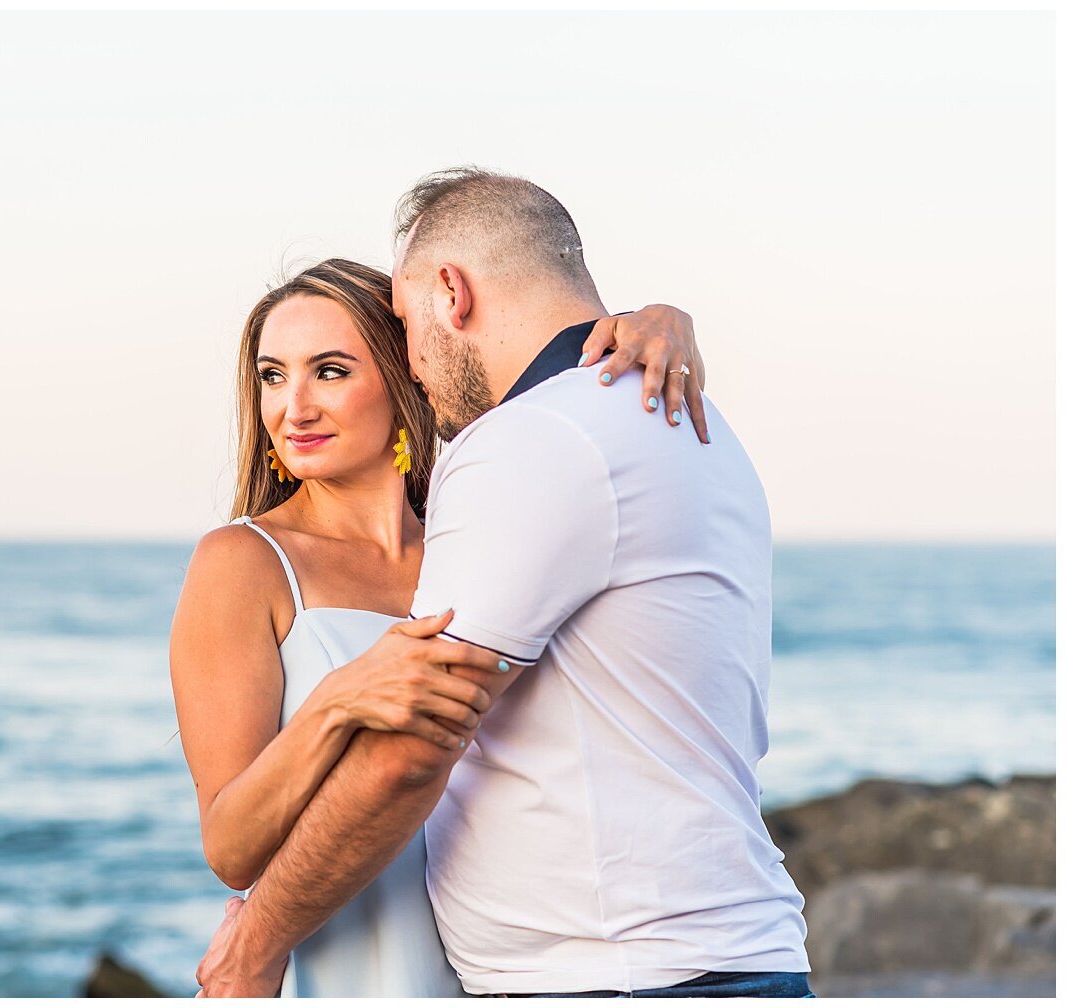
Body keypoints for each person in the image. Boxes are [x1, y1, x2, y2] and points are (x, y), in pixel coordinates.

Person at [189, 168, 812, 998]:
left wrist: (252, 945)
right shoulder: (673, 430)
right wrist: (341, 698)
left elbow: (412, 754)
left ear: (428, 327)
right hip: (501, 963)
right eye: (271, 375)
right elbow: (233, 841)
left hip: (602, 971)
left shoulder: (512, 473)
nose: (292, 405)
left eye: (332, 370)